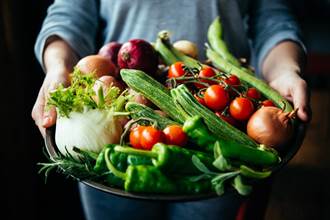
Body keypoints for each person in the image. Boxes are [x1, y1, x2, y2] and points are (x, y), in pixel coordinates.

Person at [32, 0, 311, 219]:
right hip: (112, 130)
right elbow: (69, 14)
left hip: (220, 133)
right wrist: (58, 68)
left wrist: (286, 70)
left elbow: (272, 18)